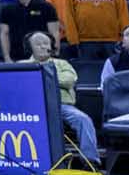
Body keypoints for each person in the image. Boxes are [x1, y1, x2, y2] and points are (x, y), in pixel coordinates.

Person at [26, 30, 97, 167]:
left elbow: (69, 80)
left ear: (51, 46)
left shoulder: (62, 64)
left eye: (45, 43)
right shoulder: (22, 64)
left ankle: (90, 160)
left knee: (83, 119)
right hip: (33, 107)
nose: (42, 46)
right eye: (38, 44)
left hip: (62, 106)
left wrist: (43, 75)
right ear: (30, 47)